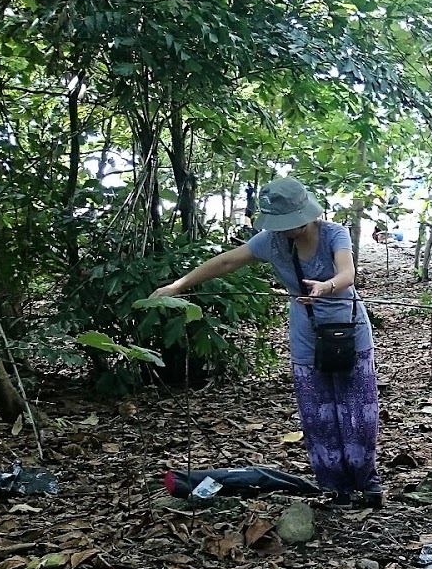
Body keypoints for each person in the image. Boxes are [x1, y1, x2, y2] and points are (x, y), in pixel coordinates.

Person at [152, 177, 382, 507]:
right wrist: (178, 286)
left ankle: (367, 484)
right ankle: (335, 488)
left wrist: (326, 286)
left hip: (348, 331)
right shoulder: (270, 242)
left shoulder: (334, 234)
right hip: (307, 335)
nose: (286, 229)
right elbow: (227, 261)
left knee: (357, 409)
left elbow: (348, 274)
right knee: (318, 413)